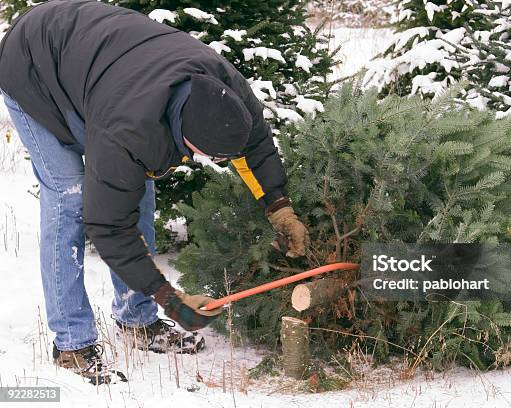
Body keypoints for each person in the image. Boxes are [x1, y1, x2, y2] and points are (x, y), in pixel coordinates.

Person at [0, 0, 309, 384]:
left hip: (97, 61)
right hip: (33, 67)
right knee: (70, 200)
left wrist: (279, 207)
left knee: (139, 191)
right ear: (185, 136)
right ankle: (72, 344)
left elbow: (258, 145)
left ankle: (136, 319)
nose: (211, 162)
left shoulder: (226, 90)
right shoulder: (128, 131)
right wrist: (170, 299)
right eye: (207, 155)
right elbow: (109, 226)